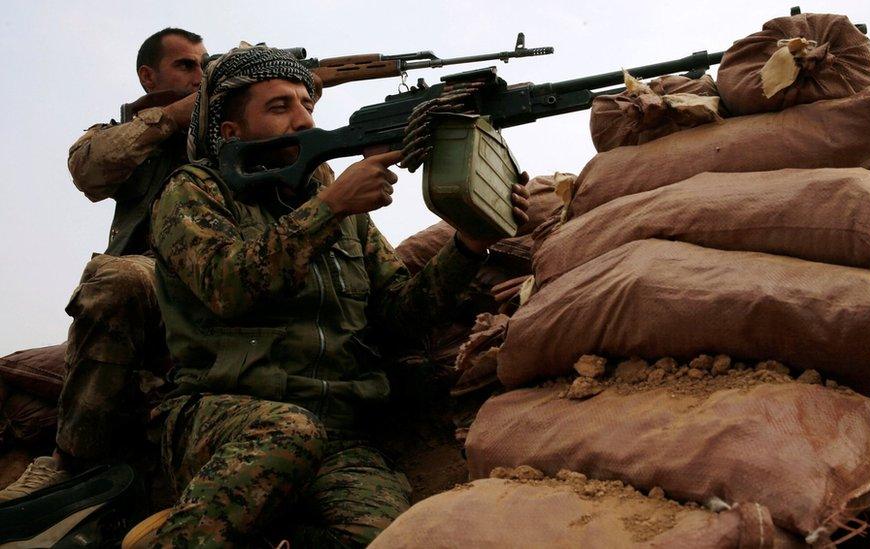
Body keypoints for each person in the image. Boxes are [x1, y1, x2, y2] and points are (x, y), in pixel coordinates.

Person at [130, 44, 530, 547]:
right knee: (289, 430)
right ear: (231, 133)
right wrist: (329, 207)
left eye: (307, 105)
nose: (302, 120)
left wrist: (469, 243)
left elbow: (400, 314)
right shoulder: (194, 191)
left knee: (382, 535)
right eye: (279, 107)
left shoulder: (345, 212)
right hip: (225, 414)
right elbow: (226, 286)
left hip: (341, 432)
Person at [0, 28, 207, 501]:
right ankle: (70, 462)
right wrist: (175, 117)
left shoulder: (239, 121)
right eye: (186, 65)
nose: (200, 75)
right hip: (163, 278)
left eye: (205, 64)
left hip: (239, 263)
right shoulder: (135, 131)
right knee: (116, 279)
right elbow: (90, 168)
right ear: (148, 76)